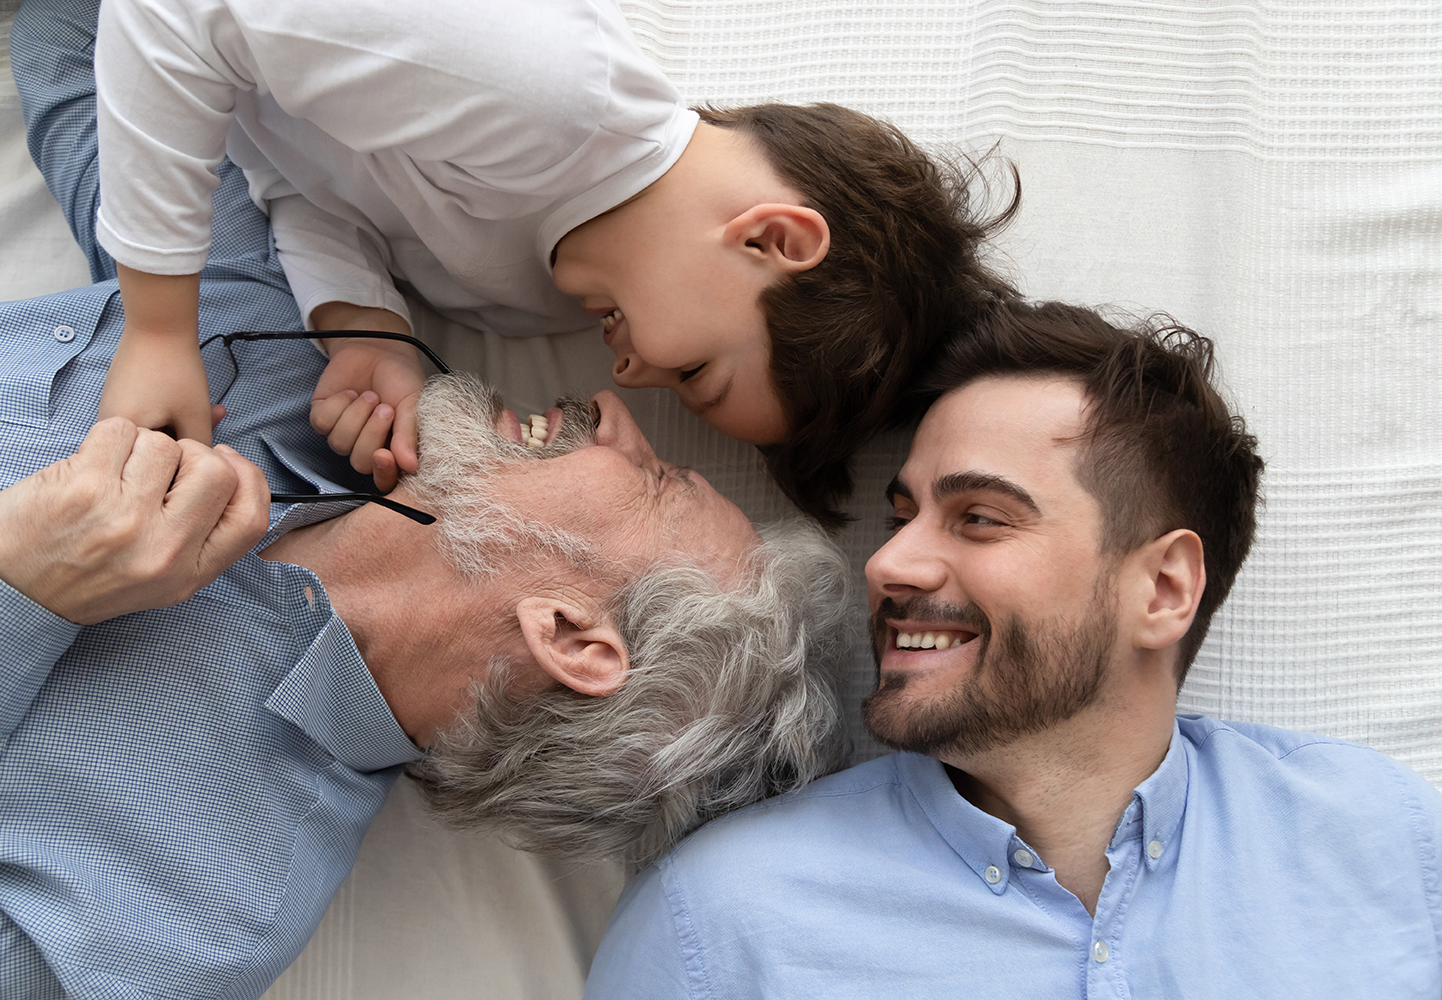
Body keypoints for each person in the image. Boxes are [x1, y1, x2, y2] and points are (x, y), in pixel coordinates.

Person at [0, 16, 851, 997]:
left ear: (572, 635)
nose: (620, 412)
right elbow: (94, 31)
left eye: (657, 480)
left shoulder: (192, 916)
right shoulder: (310, 343)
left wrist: (2, 592)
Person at [583, 300, 1442, 998]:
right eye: (902, 515)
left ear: (1163, 589)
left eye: (980, 519)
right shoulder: (718, 924)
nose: (887, 563)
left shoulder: (1388, 843)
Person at [85, 0, 1015, 526]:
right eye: (695, 370)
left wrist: (366, 330)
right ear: (773, 240)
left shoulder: (543, 295)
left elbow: (306, 183)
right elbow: (176, 13)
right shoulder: (551, 93)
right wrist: (160, 329)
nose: (629, 374)